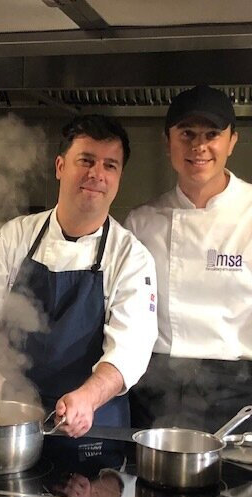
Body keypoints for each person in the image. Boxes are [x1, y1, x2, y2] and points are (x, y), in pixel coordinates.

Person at [0, 115, 158, 438]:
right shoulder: (17, 235)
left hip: (93, 418)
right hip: (9, 411)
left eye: (110, 165)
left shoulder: (131, 256)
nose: (97, 174)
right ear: (60, 166)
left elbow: (131, 349)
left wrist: (88, 396)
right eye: (85, 160)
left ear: (119, 176)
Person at [124, 85, 252, 432]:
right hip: (154, 391)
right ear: (168, 143)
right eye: (187, 134)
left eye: (212, 134)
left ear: (232, 142)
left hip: (237, 394)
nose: (199, 146)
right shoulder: (141, 222)